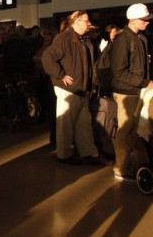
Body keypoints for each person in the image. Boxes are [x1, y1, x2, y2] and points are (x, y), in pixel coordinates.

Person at [42, 10, 105, 165]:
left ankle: (88, 153)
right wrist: (61, 75)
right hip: (69, 89)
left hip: (81, 89)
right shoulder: (64, 39)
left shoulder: (84, 40)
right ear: (76, 22)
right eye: (86, 20)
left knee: (83, 124)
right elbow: (47, 57)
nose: (89, 24)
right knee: (66, 124)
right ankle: (64, 155)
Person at [110, 3, 153, 181]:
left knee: (133, 130)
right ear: (132, 20)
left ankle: (133, 164)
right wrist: (145, 82)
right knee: (125, 131)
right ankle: (120, 169)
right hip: (126, 92)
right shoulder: (123, 40)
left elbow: (146, 66)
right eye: (143, 20)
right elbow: (119, 71)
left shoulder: (140, 39)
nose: (147, 23)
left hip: (136, 90)